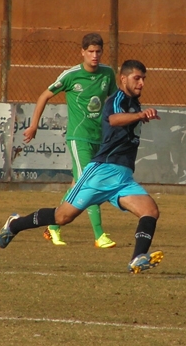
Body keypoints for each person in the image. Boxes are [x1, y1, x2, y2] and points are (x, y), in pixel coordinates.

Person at [0, 60, 164, 274]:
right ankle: (14, 225)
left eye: (143, 79)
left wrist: (138, 114)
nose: (141, 83)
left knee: (150, 211)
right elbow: (113, 119)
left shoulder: (134, 103)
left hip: (123, 178)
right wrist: (140, 116)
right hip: (101, 172)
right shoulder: (117, 99)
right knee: (62, 217)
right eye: (137, 78)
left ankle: (137, 259)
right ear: (123, 79)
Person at [23, 33, 118, 248]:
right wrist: (34, 125)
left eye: (98, 52)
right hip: (79, 138)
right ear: (82, 52)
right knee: (89, 183)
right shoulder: (71, 75)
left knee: (77, 185)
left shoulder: (108, 74)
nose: (94, 56)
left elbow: (114, 102)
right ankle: (99, 235)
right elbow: (44, 96)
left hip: (100, 139)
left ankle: (53, 226)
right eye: (90, 52)